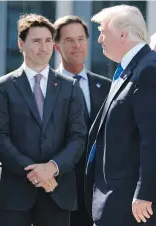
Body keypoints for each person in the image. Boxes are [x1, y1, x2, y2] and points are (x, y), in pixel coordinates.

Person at [0, 14, 87, 226]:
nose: (43, 47)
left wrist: (52, 168)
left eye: (48, 40)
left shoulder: (70, 87)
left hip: (57, 190)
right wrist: (34, 171)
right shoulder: (3, 86)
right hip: (14, 194)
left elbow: (78, 137)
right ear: (21, 44)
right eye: (36, 41)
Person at [85, 5, 156, 226]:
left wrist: (145, 193)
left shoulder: (148, 69)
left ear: (123, 34)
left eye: (103, 32)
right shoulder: (127, 70)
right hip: (113, 201)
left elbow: (152, 137)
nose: (99, 39)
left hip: (132, 206)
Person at [54, 15, 111, 226]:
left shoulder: (107, 87)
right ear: (56, 46)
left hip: (97, 192)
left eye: (81, 39)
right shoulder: (47, 87)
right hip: (57, 191)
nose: (76, 46)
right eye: (69, 40)